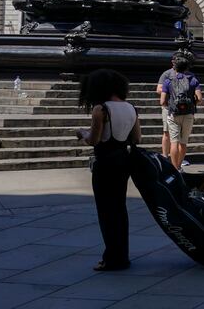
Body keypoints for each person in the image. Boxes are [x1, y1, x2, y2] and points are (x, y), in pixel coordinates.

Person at [75, 68, 140, 271]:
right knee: (119, 209)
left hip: (105, 163)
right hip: (123, 161)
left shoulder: (100, 110)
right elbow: (137, 138)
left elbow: (94, 139)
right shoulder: (131, 108)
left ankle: (112, 257)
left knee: (106, 211)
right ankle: (122, 254)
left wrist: (82, 133)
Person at [159, 54, 203, 170]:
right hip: (188, 114)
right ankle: (179, 166)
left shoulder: (168, 81)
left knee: (174, 142)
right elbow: (199, 98)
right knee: (183, 143)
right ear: (187, 68)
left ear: (175, 67)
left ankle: (174, 169)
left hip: (173, 114)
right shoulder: (193, 80)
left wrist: (170, 106)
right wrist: (193, 104)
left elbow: (162, 101)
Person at [156, 60, 178, 159]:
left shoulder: (188, 75)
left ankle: (178, 157)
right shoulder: (167, 74)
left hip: (183, 108)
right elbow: (158, 89)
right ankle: (165, 156)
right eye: (175, 60)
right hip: (169, 107)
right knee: (167, 132)